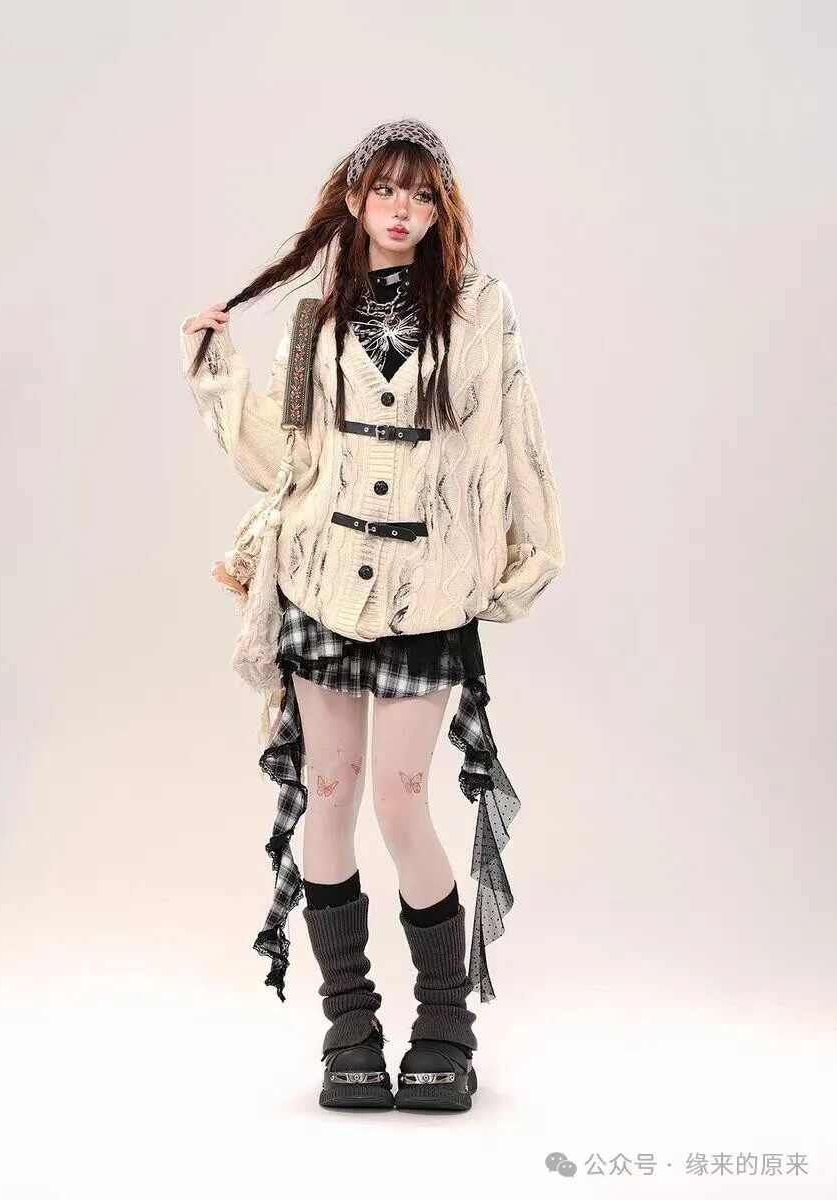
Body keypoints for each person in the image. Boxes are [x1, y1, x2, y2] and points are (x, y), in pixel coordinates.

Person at [179, 118, 565, 1113]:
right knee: (331, 788)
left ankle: (444, 1027)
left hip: (427, 589)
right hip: (321, 581)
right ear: (353, 200)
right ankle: (349, 1029)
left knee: (402, 798)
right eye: (386, 190)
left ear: (442, 210)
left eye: (422, 194)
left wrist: (529, 556)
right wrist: (217, 368)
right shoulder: (318, 317)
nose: (403, 210)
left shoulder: (480, 309)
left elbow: (514, 431)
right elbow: (283, 460)